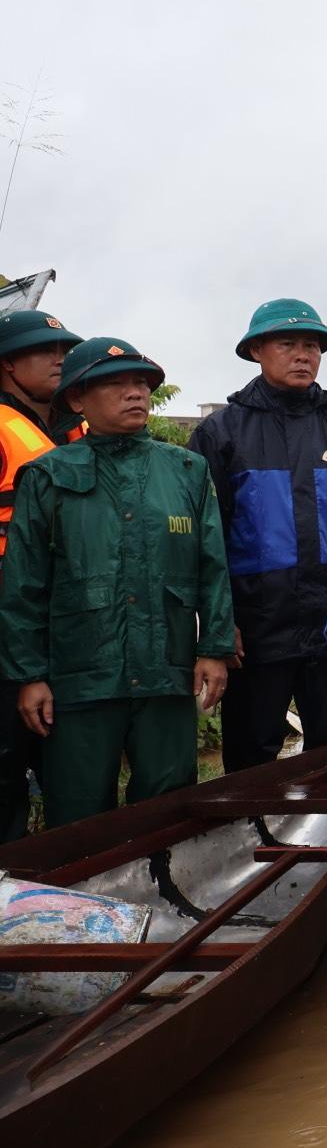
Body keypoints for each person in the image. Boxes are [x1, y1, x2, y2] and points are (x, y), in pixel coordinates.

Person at [0, 338, 234, 827]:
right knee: (79, 813)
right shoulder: (47, 474)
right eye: (116, 384)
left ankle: (163, 881)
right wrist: (29, 675)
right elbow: (24, 585)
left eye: (142, 383)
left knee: (169, 809)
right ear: (77, 399)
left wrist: (213, 648)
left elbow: (212, 566)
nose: (136, 393)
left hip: (166, 670)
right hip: (79, 676)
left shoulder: (186, 470)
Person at [189, 299, 327, 772]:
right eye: (288, 344)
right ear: (256, 351)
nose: (303, 355)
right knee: (251, 766)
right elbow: (204, 541)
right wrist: (219, 625)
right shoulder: (220, 433)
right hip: (257, 631)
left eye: (312, 345)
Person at [0, 308, 84, 840]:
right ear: (8, 363)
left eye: (63, 350)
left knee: (70, 769)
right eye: (43, 351)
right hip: (8, 617)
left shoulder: (78, 426)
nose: (59, 359)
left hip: (71, 621)